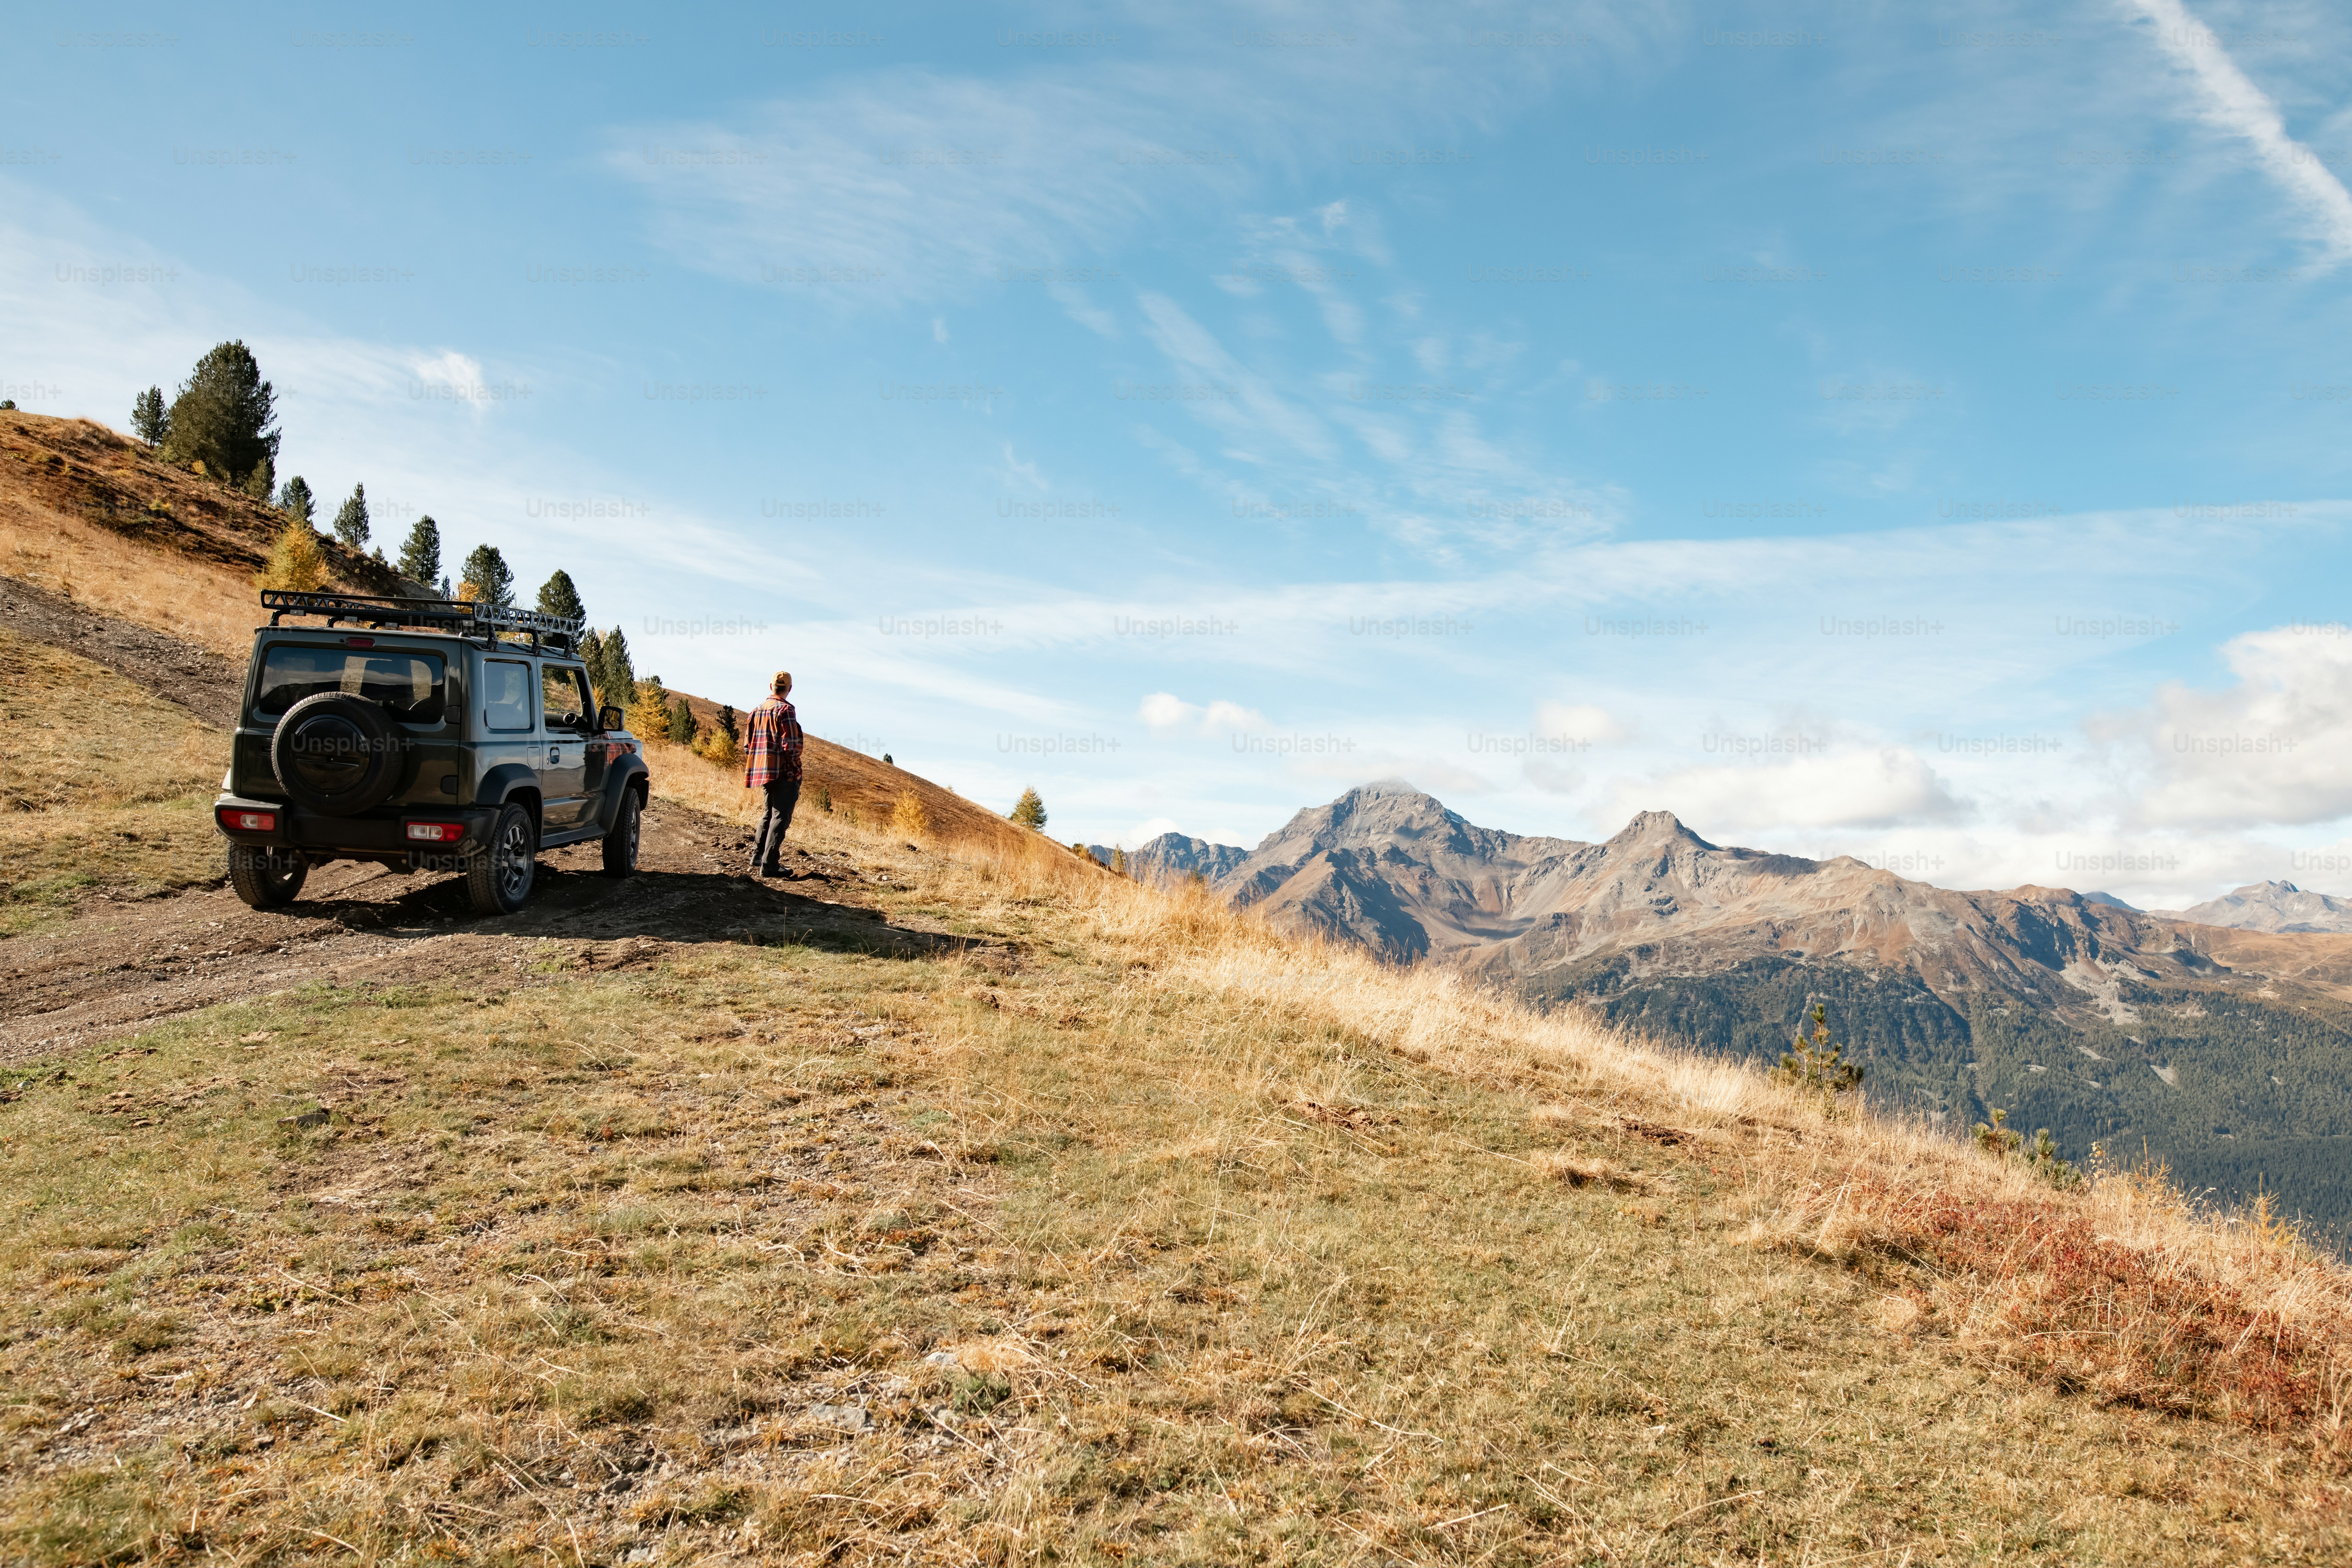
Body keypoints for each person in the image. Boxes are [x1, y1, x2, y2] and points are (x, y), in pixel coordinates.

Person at [744, 670, 804, 876]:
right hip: (785, 773)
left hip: (764, 773)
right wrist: (796, 770)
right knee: (781, 816)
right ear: (789, 689)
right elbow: (792, 747)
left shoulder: (756, 711)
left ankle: (758, 856)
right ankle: (769, 866)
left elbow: (747, 746)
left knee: (768, 813)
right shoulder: (786, 711)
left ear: (771, 687)